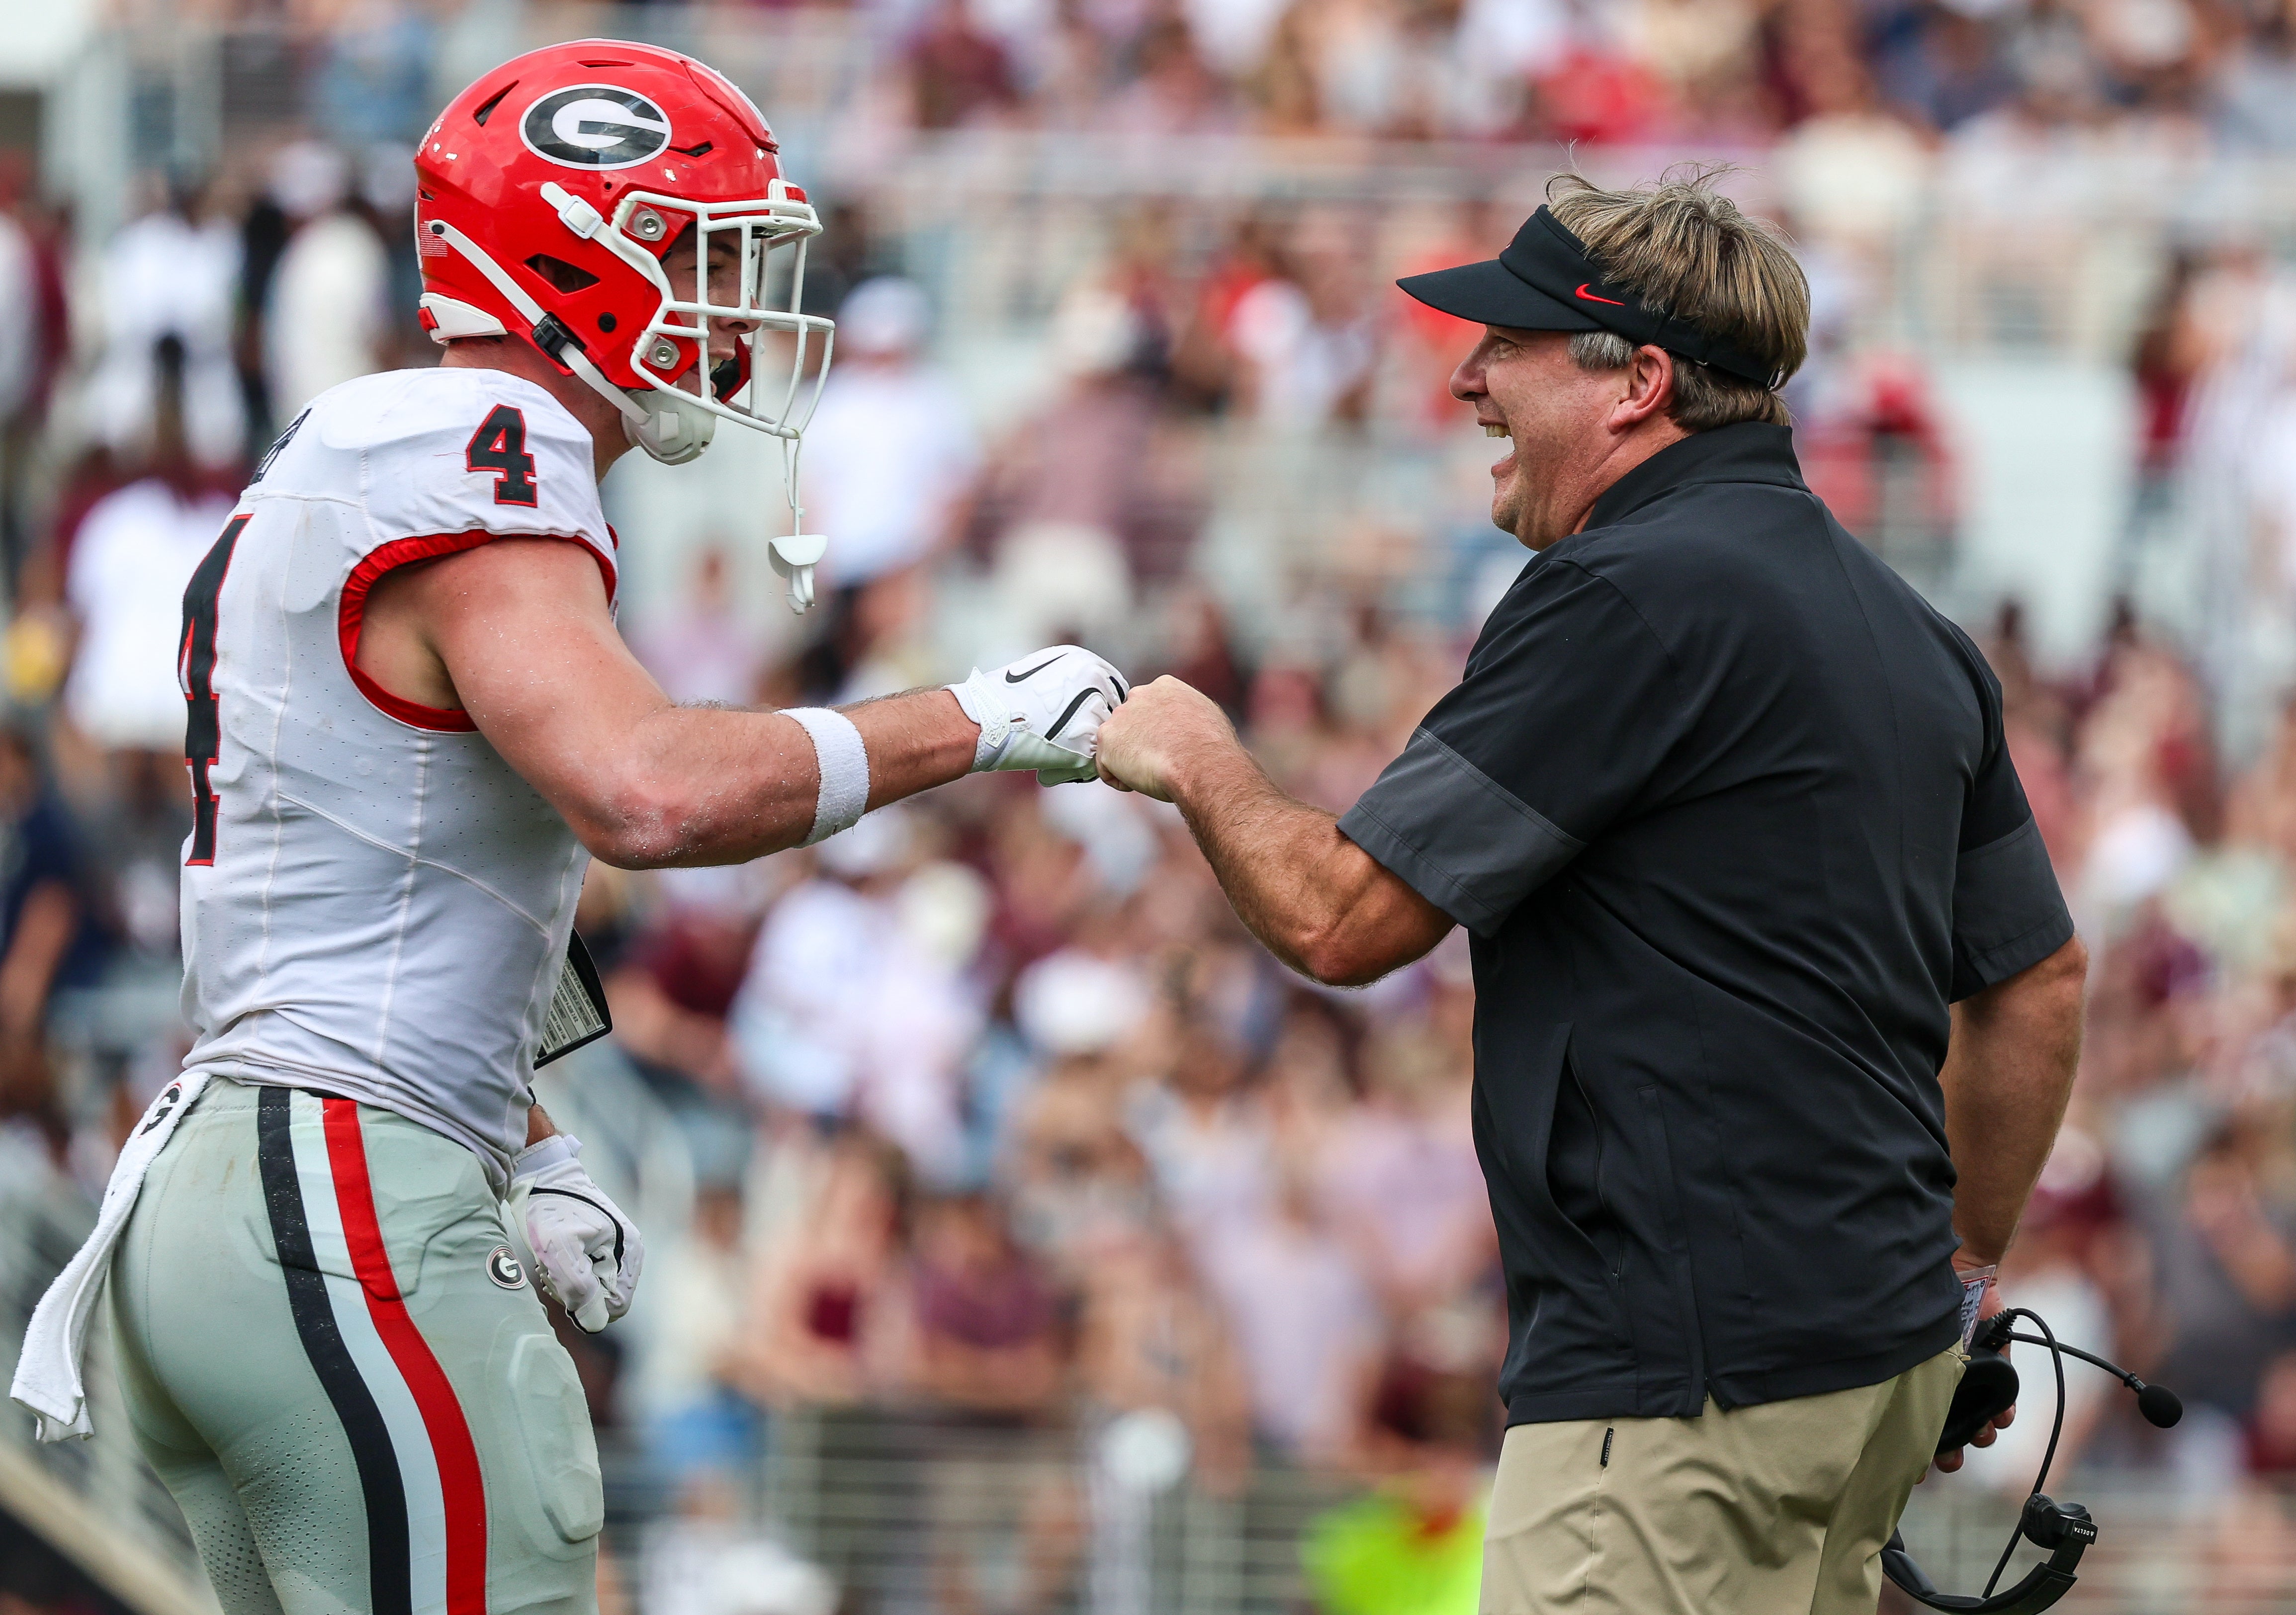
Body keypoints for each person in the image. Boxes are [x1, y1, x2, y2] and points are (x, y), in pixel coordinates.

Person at [10, 40, 1126, 1615]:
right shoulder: (477, 445)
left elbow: (400, 853)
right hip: (332, 1180)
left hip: (256, 1175)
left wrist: (531, 1134)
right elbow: (644, 788)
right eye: (697, 254)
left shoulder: (379, 460)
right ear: (571, 259)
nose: (735, 307)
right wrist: (978, 719)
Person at [1096, 170, 2087, 1615]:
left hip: (1679, 1388)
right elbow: (2036, 983)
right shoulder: (1914, 632)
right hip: (1867, 1368)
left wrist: (1196, 758)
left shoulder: (1625, 591)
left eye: (1507, 344)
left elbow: (1340, 918)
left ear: (1637, 381)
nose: (1468, 377)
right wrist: (1953, 1278)